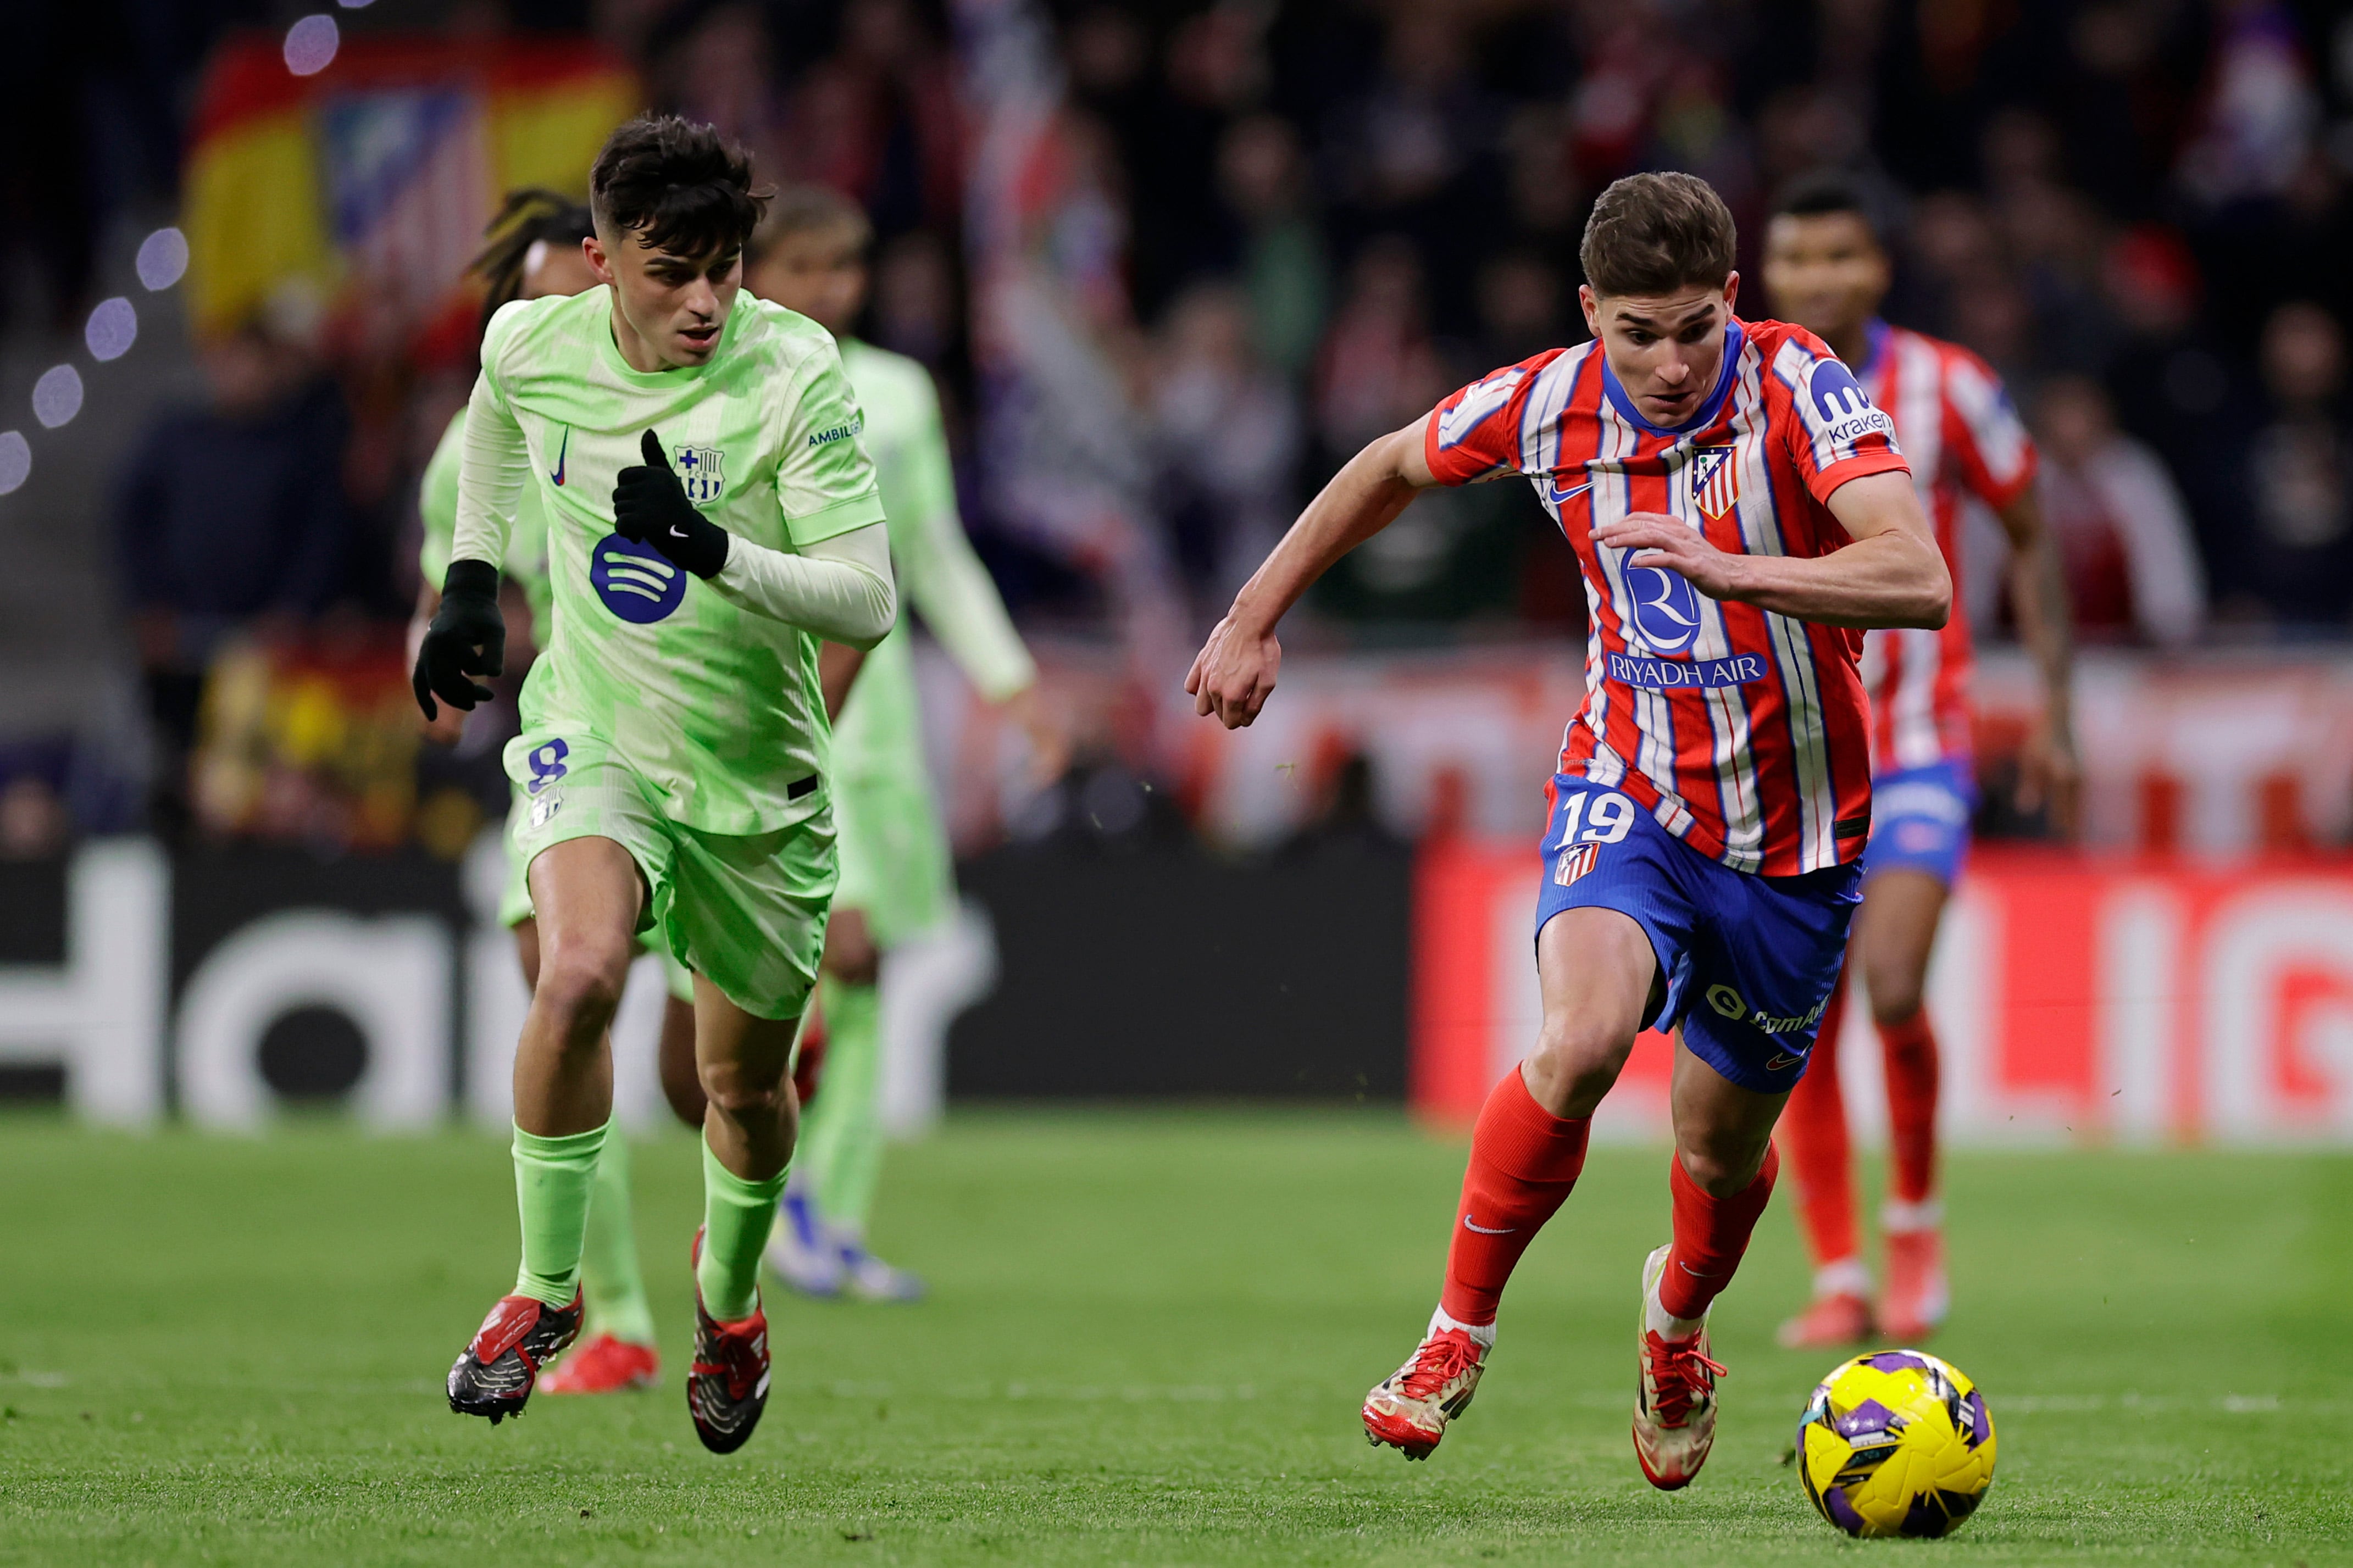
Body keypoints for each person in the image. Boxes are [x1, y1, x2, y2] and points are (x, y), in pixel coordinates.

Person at [1189, 170, 1950, 1486]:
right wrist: (1253, 615)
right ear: (1589, 311)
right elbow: (1388, 464)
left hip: (1795, 838)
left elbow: (1917, 573)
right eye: (1636, 333)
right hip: (1629, 787)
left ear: (1732, 299)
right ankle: (1453, 1332)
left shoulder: (1796, 382)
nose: (1669, 364)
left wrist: (1732, 568)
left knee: (1717, 1147)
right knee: (1582, 1038)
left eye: (1694, 328)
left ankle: (1676, 1326)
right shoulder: (1546, 401)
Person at [418, 115, 896, 1454]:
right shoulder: (532, 342)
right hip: (598, 734)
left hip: (755, 778)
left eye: (723, 271)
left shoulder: (792, 370)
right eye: (670, 272)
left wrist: (711, 547)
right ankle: (547, 1289)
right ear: (601, 259)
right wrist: (470, 584)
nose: (703, 302)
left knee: (737, 1090)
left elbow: (868, 596)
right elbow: (495, 422)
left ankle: (728, 1306)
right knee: (574, 972)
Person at [1757, 171, 2079, 1349]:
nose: (1818, 278)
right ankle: (1838, 1273)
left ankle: (1913, 1229)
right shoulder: (1739, 385)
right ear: (1766, 273)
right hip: (1787, 755)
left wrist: (2054, 710)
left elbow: (2031, 535)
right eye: (1797, 258)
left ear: (1878, 268)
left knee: (1891, 982)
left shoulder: (1951, 386)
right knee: (1799, 1018)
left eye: (1839, 256)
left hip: (1914, 744)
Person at [410, 189, 708, 1395]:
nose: (563, 319)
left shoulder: (692, 402)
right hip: (569, 753)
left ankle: (746, 1203)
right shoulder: (471, 448)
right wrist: (449, 657)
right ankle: (611, 1314)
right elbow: (446, 597)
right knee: (571, 994)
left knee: (701, 1079)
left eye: (578, 295)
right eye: (538, 304)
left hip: (706, 756)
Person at [740, 186, 1061, 1301]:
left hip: (874, 719)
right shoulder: (719, 384)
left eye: (843, 268)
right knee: (833, 953)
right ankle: (778, 1192)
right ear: (755, 274)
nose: (826, 289)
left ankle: (826, 1213)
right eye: (801, 267)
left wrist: (1012, 686)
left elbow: (930, 552)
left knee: (865, 972)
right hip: (763, 704)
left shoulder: (895, 393)